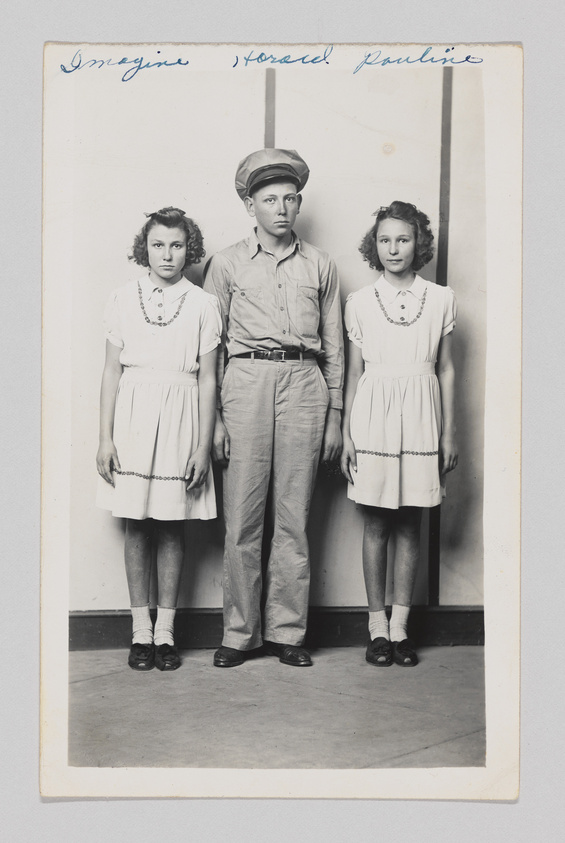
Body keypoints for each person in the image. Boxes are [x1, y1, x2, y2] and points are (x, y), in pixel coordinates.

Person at [204, 149, 344, 668]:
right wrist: (215, 416)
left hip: (305, 383)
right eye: (269, 199)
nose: (281, 208)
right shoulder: (226, 264)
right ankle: (240, 634)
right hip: (245, 382)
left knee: (294, 514)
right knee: (242, 515)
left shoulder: (320, 264)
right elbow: (210, 344)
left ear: (299, 202)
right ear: (250, 205)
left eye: (289, 198)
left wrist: (335, 416)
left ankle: (287, 632)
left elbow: (334, 345)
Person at [96, 207, 221, 671]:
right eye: (158, 245)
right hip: (133, 415)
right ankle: (140, 632)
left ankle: (166, 631)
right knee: (137, 525)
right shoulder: (123, 298)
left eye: (176, 245)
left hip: (182, 416)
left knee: (172, 524)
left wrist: (202, 445)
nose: (167, 255)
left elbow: (209, 379)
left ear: (189, 249)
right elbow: (111, 370)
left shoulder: (204, 304)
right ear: (143, 248)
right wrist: (105, 438)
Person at [340, 201, 458, 667]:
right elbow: (352, 374)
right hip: (374, 414)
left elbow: (446, 369)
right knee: (376, 523)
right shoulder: (360, 302)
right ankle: (377, 629)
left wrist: (450, 433)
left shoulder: (442, 298)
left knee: (411, 522)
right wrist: (349, 435)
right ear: (375, 245)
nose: (394, 249)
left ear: (419, 244)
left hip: (422, 414)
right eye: (385, 240)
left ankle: (401, 627)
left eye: (403, 239)